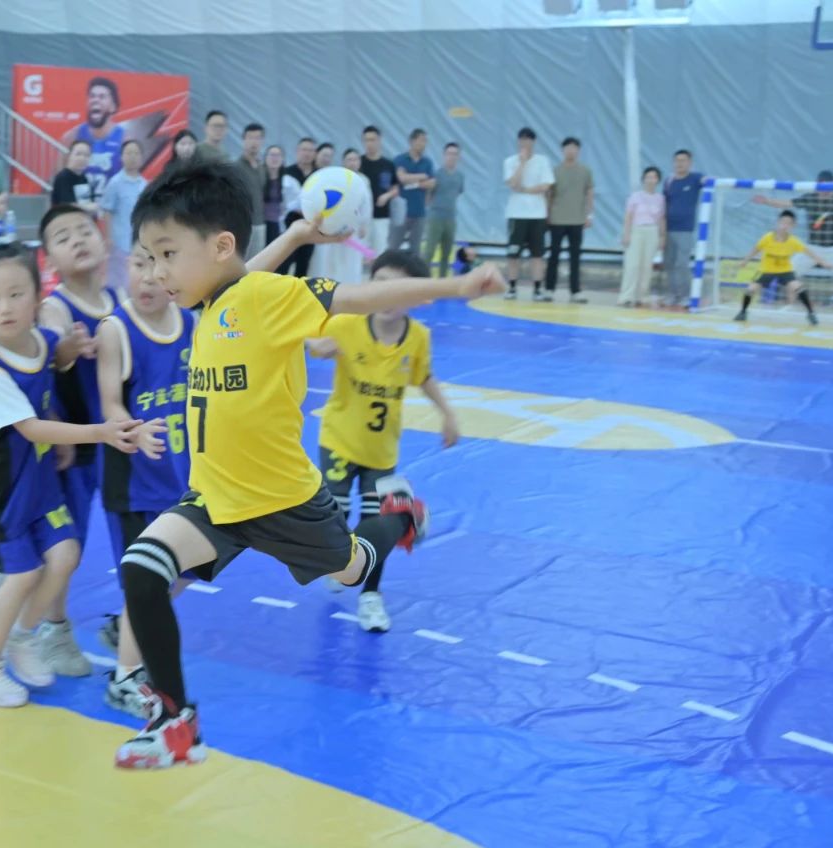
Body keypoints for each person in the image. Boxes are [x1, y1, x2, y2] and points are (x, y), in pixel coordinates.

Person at [112, 160, 505, 769]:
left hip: (284, 502)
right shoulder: (218, 300)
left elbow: (357, 297)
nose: (157, 272)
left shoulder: (265, 298)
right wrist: (295, 234)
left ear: (219, 247)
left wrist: (457, 288)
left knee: (354, 569)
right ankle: (175, 723)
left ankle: (399, 517)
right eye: (149, 257)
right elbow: (243, 274)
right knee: (142, 568)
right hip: (216, 499)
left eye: (167, 254)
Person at [0, 244, 147, 708]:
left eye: (15, 294)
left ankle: (24, 635)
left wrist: (70, 349)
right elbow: (30, 427)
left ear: (38, 297)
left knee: (65, 554)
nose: (4, 307)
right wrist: (97, 432)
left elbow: (51, 365)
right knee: (24, 574)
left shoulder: (40, 340)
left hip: (37, 483)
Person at [308, 250, 460, 632]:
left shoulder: (418, 338)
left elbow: (424, 376)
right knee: (336, 511)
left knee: (378, 524)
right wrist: (314, 345)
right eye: (380, 284)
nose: (388, 294)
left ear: (417, 296)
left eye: (400, 287)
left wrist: (447, 413)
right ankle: (340, 560)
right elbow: (306, 337)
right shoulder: (346, 324)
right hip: (339, 440)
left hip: (381, 451)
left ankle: (371, 596)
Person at [95, 243, 195, 716]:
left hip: (182, 479)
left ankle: (127, 624)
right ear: (125, 268)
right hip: (133, 485)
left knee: (191, 568)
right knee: (149, 581)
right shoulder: (116, 330)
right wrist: (132, 430)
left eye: (161, 265)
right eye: (139, 264)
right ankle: (124, 677)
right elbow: (110, 403)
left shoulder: (192, 323)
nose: (149, 276)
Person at [36, 203, 117, 677]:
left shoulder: (119, 299)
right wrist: (64, 349)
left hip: (118, 442)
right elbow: (49, 350)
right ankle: (52, 628)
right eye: (63, 237)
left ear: (103, 240)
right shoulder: (56, 306)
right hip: (76, 447)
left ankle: (130, 620)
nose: (78, 240)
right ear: (50, 260)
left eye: (84, 231)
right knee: (69, 544)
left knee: (138, 533)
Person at [734, 210, 833, 325]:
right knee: (750, 289)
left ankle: (811, 313)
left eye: (788, 223)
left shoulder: (793, 241)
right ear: (778, 223)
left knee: (799, 287)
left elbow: (809, 253)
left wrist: (823, 263)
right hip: (766, 270)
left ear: (793, 226)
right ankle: (743, 312)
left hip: (785, 271)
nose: (784, 226)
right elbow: (756, 249)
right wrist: (745, 261)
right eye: (783, 222)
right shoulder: (767, 238)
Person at [753, 170, 833, 290]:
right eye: (822, 187)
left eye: (828, 187)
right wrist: (767, 201)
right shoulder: (810, 198)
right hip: (813, 247)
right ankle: (775, 296)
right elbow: (788, 203)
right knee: (788, 272)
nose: (825, 191)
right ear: (817, 185)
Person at [502, 127, 554, 301]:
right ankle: (512, 288)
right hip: (516, 214)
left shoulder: (542, 161)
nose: (525, 142)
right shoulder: (510, 161)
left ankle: (537, 290)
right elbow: (513, 184)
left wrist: (526, 190)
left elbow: (546, 185)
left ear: (534, 142)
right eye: (522, 139)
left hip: (537, 215)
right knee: (513, 254)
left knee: (537, 254)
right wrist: (522, 163)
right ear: (518, 141)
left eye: (528, 139)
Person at [544, 137, 593, 303]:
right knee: (554, 256)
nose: (571, 151)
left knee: (575, 257)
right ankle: (549, 289)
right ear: (563, 150)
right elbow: (549, 194)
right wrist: (547, 215)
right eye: (568, 148)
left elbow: (589, 193)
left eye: (574, 148)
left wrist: (589, 215)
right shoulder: (555, 171)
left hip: (577, 220)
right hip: (557, 219)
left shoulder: (585, 171)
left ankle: (575, 291)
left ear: (578, 151)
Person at [311, 148, 371, 283]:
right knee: (333, 260)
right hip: (336, 226)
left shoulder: (364, 180)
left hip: (355, 227)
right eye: (349, 159)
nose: (353, 163)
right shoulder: (337, 177)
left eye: (355, 159)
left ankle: (351, 287)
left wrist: (364, 224)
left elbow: (367, 204)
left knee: (352, 261)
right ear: (344, 162)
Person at [98, 139, 149, 292]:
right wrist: (108, 238)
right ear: (121, 157)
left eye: (136, 153)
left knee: (137, 282)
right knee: (119, 284)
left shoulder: (144, 184)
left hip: (139, 243)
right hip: (119, 243)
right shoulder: (115, 183)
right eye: (128, 153)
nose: (132, 157)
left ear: (141, 158)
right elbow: (107, 211)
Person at [618, 166, 667, 308]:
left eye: (654, 177)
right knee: (632, 265)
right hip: (636, 230)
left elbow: (662, 218)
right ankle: (626, 297)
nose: (651, 180)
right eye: (648, 177)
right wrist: (626, 234)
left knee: (646, 266)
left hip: (652, 231)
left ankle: (642, 296)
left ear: (658, 180)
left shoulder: (660, 199)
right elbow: (628, 216)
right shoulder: (635, 196)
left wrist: (662, 236)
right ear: (643, 179)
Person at [662, 149, 704, 307]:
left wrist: (711, 180)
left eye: (683, 160)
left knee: (682, 264)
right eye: (677, 160)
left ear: (689, 163)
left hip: (685, 229)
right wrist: (661, 230)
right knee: (669, 263)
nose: (680, 164)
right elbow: (664, 204)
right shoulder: (669, 181)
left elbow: (707, 180)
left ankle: (686, 296)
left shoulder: (695, 178)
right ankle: (673, 295)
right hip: (668, 228)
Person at [424, 142, 464, 278]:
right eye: (449, 154)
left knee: (446, 253)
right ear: (444, 155)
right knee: (429, 251)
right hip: (436, 217)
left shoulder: (460, 176)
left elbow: (457, 193)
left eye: (455, 154)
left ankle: (442, 281)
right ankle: (422, 279)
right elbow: (429, 196)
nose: (452, 157)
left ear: (458, 157)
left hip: (451, 218)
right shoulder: (437, 174)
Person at [281, 137, 318, 277]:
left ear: (315, 153)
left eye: (310, 150)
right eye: (304, 149)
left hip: (311, 225)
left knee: (304, 264)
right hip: (289, 224)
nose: (307, 153)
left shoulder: (319, 174)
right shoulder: (287, 172)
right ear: (297, 151)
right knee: (284, 261)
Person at [392, 129, 434, 252]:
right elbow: (401, 178)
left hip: (419, 212)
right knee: (394, 247)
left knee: (415, 249)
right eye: (421, 140)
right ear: (412, 141)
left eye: (425, 141)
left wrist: (410, 180)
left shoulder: (427, 162)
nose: (424, 144)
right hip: (401, 212)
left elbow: (432, 183)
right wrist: (422, 176)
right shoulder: (399, 160)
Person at [359, 126, 398, 256]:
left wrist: (387, 196)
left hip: (381, 216)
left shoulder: (388, 164)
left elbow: (396, 188)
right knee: (359, 253)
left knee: (379, 252)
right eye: (366, 140)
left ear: (379, 140)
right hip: (361, 219)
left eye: (372, 140)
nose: (369, 143)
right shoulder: (359, 163)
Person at [234, 123, 267, 257]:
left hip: (260, 223)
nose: (254, 142)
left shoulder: (262, 167)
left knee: (258, 263)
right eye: (250, 138)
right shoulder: (235, 167)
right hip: (242, 224)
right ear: (243, 140)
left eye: (258, 138)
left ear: (262, 141)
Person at [262, 145, 302, 245]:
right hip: (259, 224)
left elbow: (299, 201)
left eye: (278, 155)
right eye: (272, 155)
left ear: (283, 159)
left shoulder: (289, 181)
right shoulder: (258, 177)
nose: (274, 158)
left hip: (276, 225)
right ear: (265, 158)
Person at [50, 141, 97, 213]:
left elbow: (90, 202)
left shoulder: (84, 178)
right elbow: (68, 206)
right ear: (69, 156)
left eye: (86, 155)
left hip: (83, 217)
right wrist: (89, 207)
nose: (82, 158)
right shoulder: (63, 177)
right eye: (78, 154)